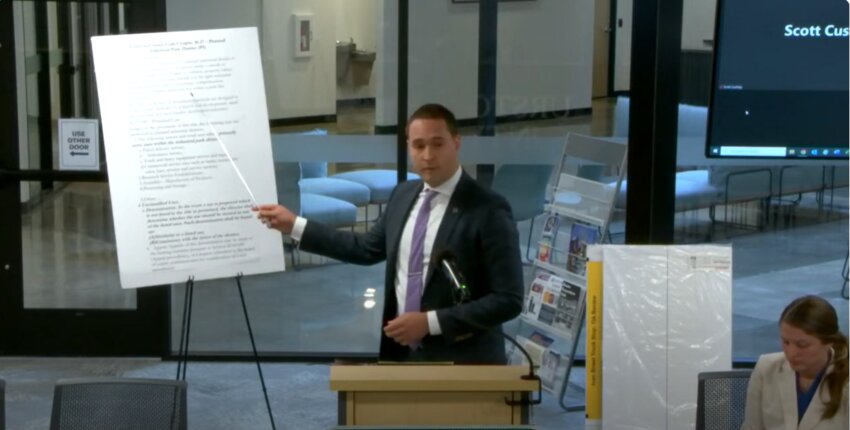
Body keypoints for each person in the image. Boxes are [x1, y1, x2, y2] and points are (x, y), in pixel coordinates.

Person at [253, 103, 524, 364]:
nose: (428, 155)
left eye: (437, 144)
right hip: (403, 355)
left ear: (456, 142)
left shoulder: (488, 208)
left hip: (463, 361)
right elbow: (365, 248)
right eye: (419, 145)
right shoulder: (404, 195)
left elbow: (508, 300)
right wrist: (295, 225)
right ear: (408, 147)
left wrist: (430, 323)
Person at [741, 295, 849, 430]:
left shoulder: (846, 382)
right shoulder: (766, 368)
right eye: (786, 342)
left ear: (828, 342)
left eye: (802, 345)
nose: (791, 353)